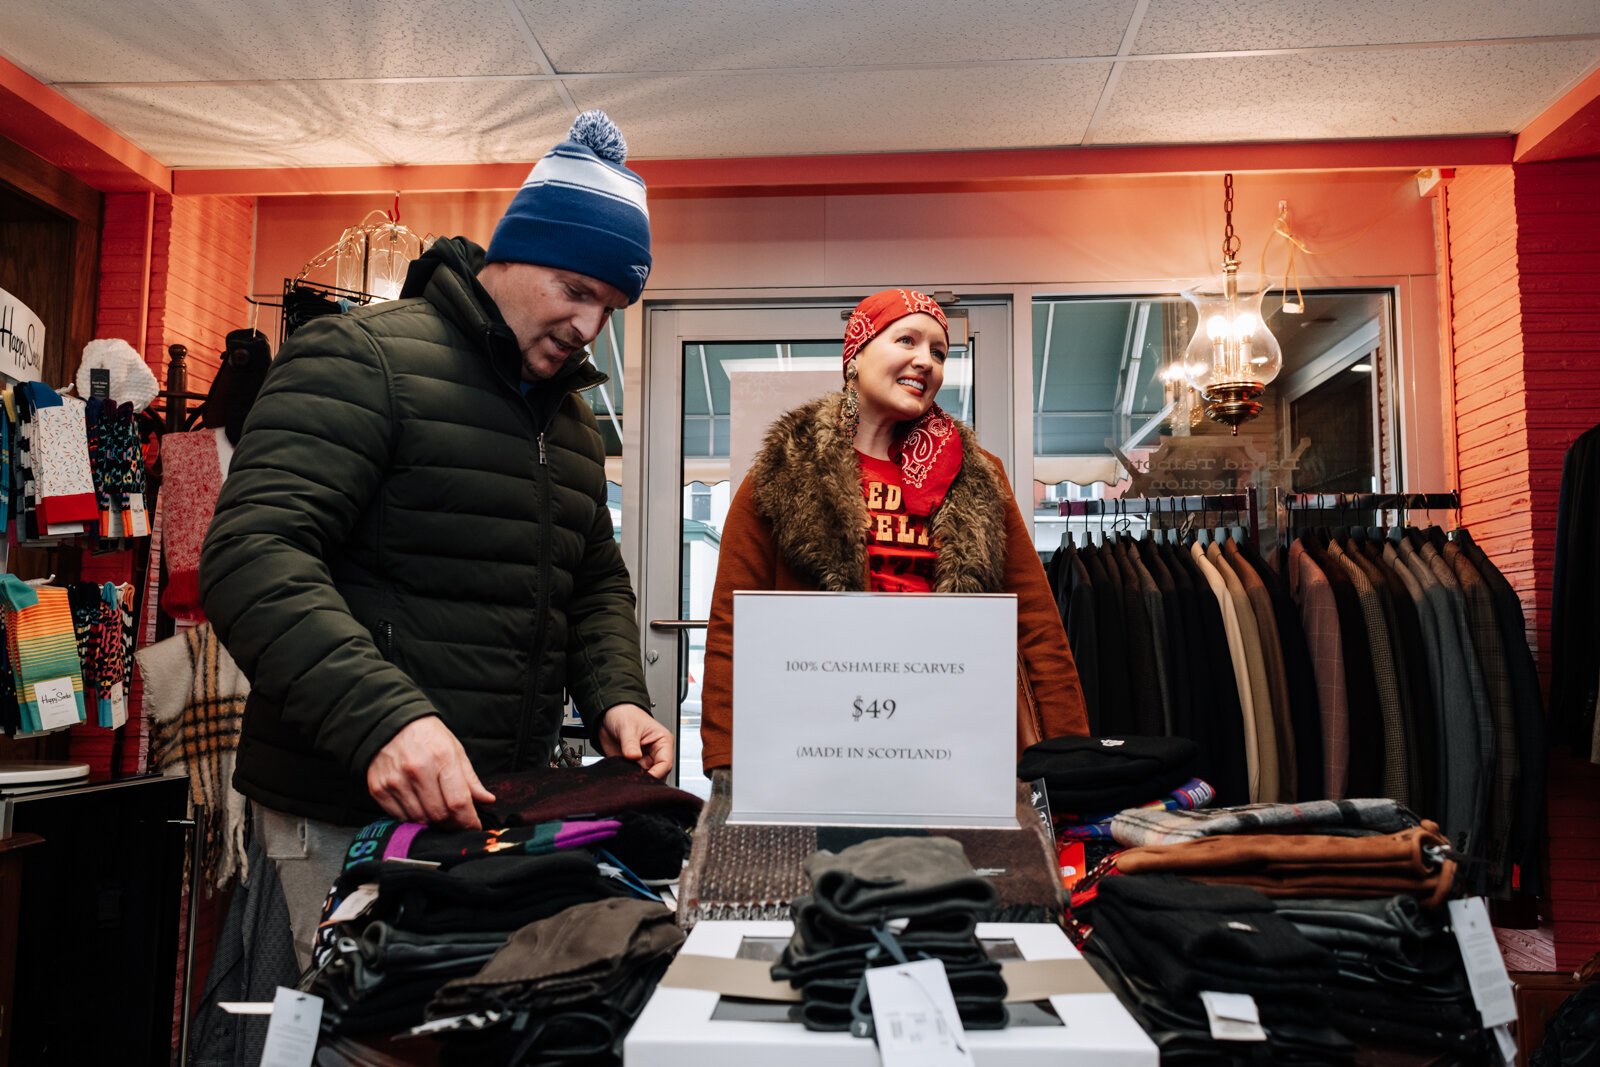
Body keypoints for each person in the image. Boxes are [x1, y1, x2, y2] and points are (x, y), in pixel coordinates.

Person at [200, 111, 672, 964]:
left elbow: (593, 580)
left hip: (490, 815)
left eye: (610, 306)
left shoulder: (566, 422)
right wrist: (386, 722)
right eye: (575, 288)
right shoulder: (362, 358)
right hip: (332, 813)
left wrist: (616, 696)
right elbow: (252, 553)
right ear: (512, 254)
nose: (589, 327)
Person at [700, 288, 1090, 771]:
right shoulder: (788, 469)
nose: (925, 361)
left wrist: (1071, 751)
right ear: (856, 355)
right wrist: (725, 758)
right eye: (906, 340)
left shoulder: (978, 476)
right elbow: (734, 626)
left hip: (952, 732)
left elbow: (1035, 624)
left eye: (939, 352)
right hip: (820, 733)